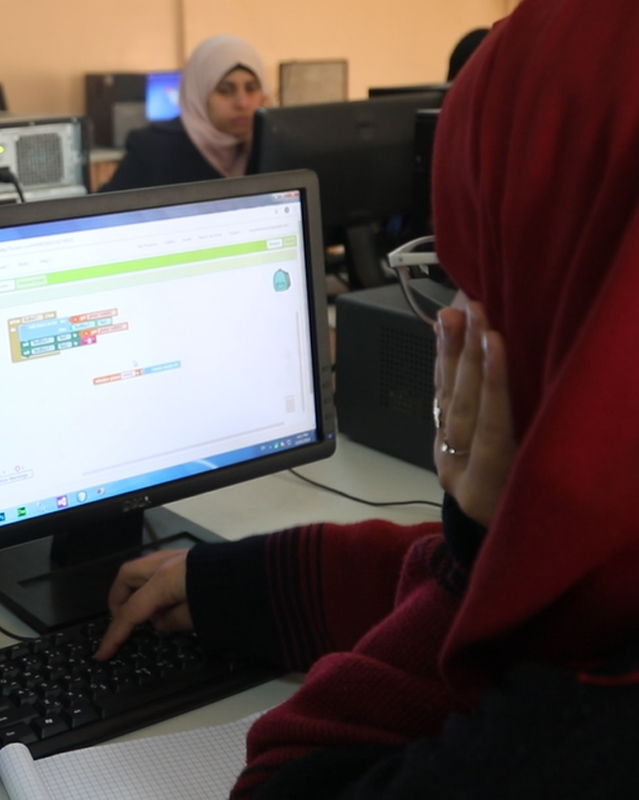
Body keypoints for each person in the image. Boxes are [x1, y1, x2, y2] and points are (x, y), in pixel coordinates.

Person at [97, 0, 639, 795]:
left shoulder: (583, 730)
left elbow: (287, 775)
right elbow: (529, 604)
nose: (448, 320)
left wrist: (477, 546)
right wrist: (245, 581)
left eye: (474, 277)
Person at [100, 35, 269, 192]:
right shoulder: (153, 149)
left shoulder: (271, 144)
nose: (243, 103)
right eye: (225, 91)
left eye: (252, 89)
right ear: (198, 96)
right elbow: (103, 212)